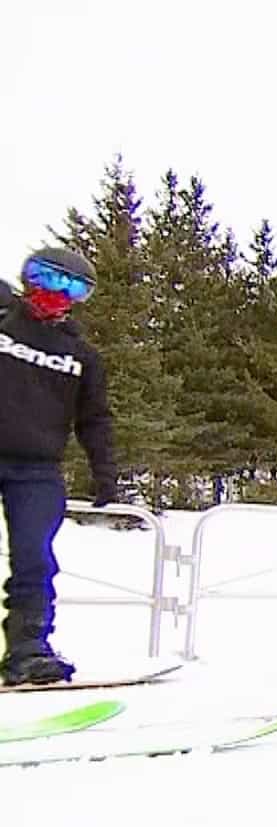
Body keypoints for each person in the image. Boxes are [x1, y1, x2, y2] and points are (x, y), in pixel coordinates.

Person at [0, 248, 118, 685]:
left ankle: (28, 648)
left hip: (37, 469)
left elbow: (95, 419)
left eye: (71, 288)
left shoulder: (81, 356)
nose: (55, 294)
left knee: (34, 560)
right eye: (46, 280)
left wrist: (104, 472)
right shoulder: (4, 322)